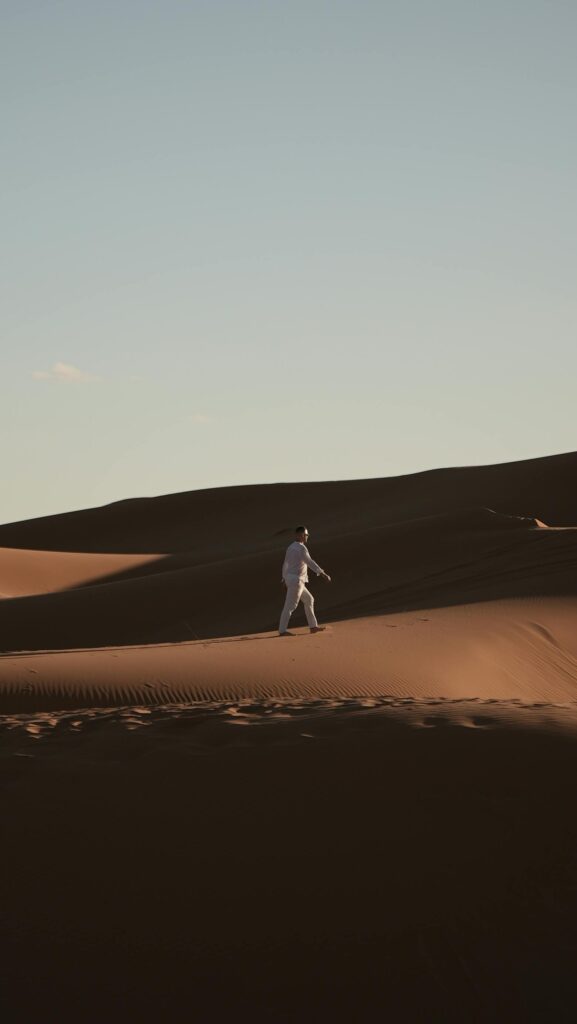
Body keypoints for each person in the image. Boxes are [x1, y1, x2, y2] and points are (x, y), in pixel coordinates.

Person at [279, 526, 331, 636]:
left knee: (309, 600)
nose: (307, 536)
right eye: (306, 534)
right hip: (297, 581)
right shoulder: (301, 548)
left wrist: (284, 578)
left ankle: (313, 627)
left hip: (293, 579)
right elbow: (309, 562)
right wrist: (322, 573)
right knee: (290, 606)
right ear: (300, 535)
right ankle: (282, 631)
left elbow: (285, 564)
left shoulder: (291, 547)